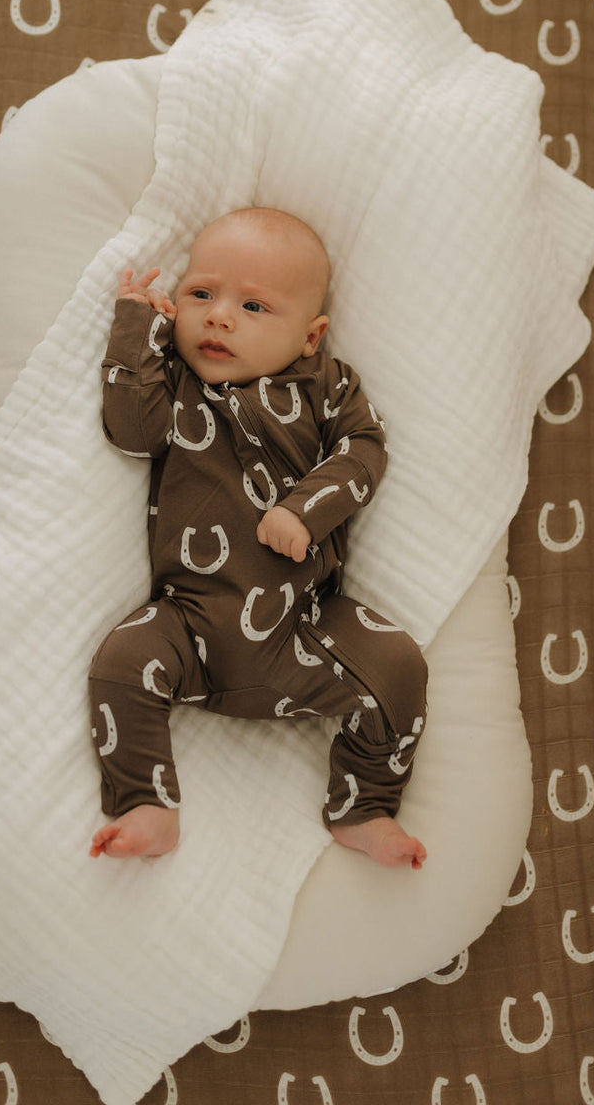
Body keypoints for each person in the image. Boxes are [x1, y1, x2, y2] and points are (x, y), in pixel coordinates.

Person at [88, 207, 428, 867]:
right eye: (200, 294)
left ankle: (364, 806)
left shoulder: (327, 386)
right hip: (187, 624)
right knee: (119, 662)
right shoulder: (175, 381)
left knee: (399, 667)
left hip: (305, 625)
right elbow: (130, 431)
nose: (218, 317)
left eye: (253, 305)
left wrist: (304, 510)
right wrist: (134, 328)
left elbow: (364, 451)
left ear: (310, 336)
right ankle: (145, 802)